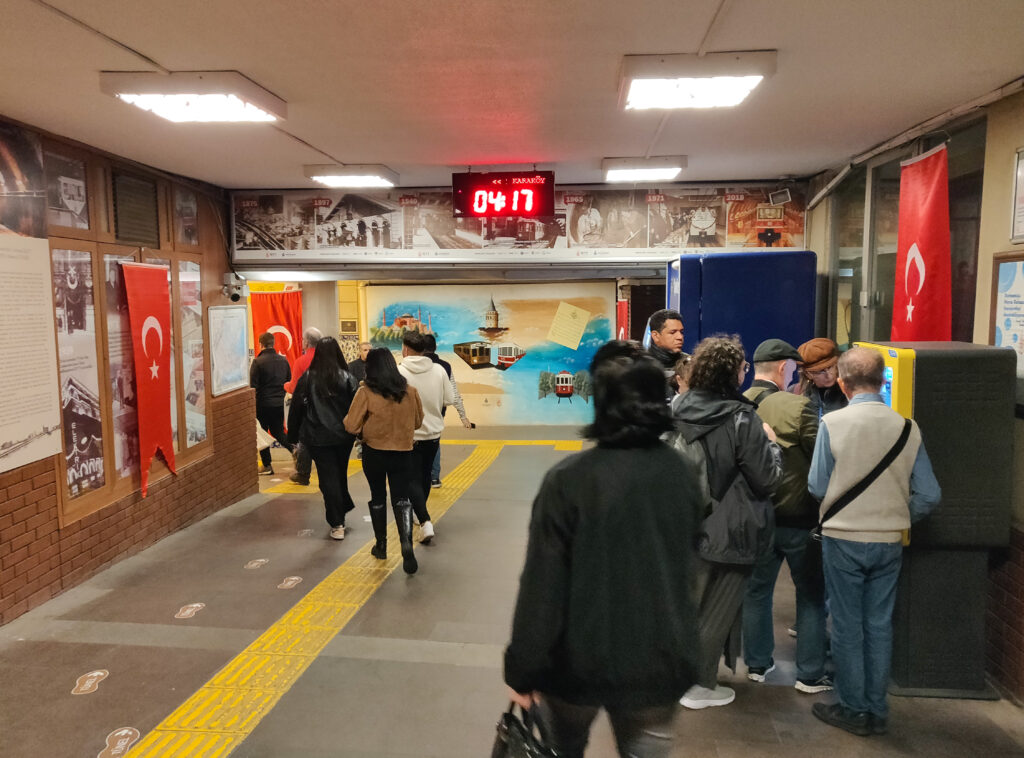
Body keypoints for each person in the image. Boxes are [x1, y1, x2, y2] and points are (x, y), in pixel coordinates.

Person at [505, 340, 705, 758]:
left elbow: (542, 584)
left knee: (564, 748)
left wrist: (523, 668)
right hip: (659, 658)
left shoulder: (569, 480)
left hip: (575, 665)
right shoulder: (682, 474)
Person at [808, 347, 941, 737]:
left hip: (843, 536)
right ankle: (877, 708)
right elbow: (929, 494)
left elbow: (817, 485)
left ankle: (854, 709)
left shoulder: (833, 424)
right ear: (883, 381)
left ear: (844, 384)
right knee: (879, 624)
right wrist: (898, 516)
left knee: (848, 625)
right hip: (888, 540)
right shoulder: (907, 427)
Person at [669, 335, 782, 709]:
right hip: (731, 527)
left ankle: (679, 677)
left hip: (687, 519)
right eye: (742, 366)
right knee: (719, 610)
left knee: (692, 606)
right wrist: (774, 445)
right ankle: (699, 686)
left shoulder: (679, 407)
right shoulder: (741, 417)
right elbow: (765, 478)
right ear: (732, 373)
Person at [741, 339, 832, 694]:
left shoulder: (738, 405)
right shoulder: (800, 407)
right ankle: (809, 674)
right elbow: (820, 458)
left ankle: (757, 665)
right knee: (810, 595)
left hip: (755, 517)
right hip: (798, 518)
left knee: (756, 591)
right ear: (783, 368)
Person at [344, 348, 424, 574]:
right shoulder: (410, 391)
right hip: (403, 452)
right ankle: (406, 543)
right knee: (401, 498)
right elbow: (418, 422)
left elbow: (351, 426)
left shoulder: (366, 392)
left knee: (378, 496)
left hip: (375, 452)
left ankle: (381, 545)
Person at [286, 337, 358, 540]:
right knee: (339, 474)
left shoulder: (308, 378)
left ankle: (337, 523)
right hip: (344, 437)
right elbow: (356, 408)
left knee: (328, 478)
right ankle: (341, 511)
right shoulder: (347, 378)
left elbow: (297, 409)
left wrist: (293, 435)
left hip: (317, 437)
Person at [398, 331, 454, 543]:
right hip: (433, 433)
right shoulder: (439, 370)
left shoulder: (400, 371)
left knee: (410, 478)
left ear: (405, 348)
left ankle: (424, 520)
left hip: (409, 434)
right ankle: (420, 514)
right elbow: (448, 398)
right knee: (424, 476)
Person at [422, 333, 472, 488]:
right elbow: (454, 392)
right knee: (434, 441)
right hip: (438, 411)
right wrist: (463, 416)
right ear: (435, 347)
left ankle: (419, 476)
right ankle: (434, 477)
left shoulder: (411, 365)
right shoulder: (445, 366)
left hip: (416, 411)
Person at [283, 327, 323, 486]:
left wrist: (285, 385)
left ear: (306, 342)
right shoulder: (327, 359)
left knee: (305, 439)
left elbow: (295, 387)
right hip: (328, 406)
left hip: (308, 407)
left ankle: (303, 473)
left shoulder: (301, 361)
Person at [250, 332, 293, 475]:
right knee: (278, 431)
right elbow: (288, 380)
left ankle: (267, 465)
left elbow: (253, 386)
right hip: (278, 403)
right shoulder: (284, 361)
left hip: (262, 404)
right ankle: (295, 450)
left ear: (260, 344)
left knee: (261, 433)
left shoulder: (257, 362)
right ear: (273, 343)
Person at [797, 338, 848, 420]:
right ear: (808, 374)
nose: (829, 375)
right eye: (821, 371)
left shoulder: (849, 391)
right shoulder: (798, 393)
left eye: (831, 367)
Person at [646, 308, 686, 399]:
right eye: (673, 332)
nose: (680, 337)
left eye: (681, 332)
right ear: (655, 336)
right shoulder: (640, 366)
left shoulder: (691, 365)